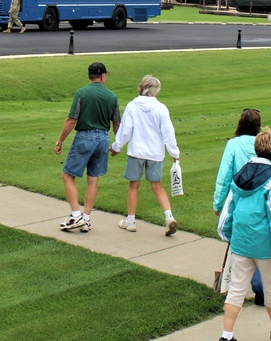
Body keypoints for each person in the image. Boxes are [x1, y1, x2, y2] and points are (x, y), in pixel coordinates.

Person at [216, 128, 271, 341]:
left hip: (241, 243)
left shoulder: (241, 174)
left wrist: (229, 236)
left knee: (236, 289)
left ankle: (226, 336)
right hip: (266, 247)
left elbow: (229, 209)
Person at [53, 62, 121, 233]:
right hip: (103, 139)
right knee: (93, 178)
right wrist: (117, 144)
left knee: (68, 176)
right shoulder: (112, 96)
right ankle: (87, 218)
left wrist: (60, 141)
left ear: (90, 76)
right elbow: (117, 124)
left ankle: (76, 215)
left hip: (85, 137)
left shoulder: (82, 93)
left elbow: (71, 120)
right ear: (103, 76)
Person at [110, 75, 180, 236]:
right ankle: (169, 216)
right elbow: (168, 133)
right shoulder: (161, 108)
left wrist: (116, 147)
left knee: (134, 186)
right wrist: (174, 153)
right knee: (157, 186)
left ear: (141, 88)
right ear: (155, 91)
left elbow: (125, 131)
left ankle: (131, 220)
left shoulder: (132, 106)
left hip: (136, 152)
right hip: (155, 153)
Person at [213, 108, 265, 305]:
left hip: (239, 199)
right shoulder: (262, 143)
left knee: (238, 244)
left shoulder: (234, 144)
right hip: (260, 199)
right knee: (258, 242)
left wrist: (218, 203)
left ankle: (237, 285)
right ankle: (259, 285)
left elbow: (225, 175)